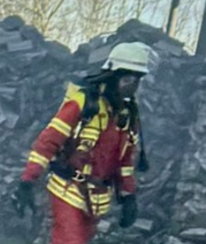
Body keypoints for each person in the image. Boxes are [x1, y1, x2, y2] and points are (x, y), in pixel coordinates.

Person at [12, 42, 149, 244]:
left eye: (137, 80)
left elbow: (125, 163)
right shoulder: (84, 103)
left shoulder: (128, 116)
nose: (132, 85)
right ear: (112, 76)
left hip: (97, 198)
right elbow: (47, 142)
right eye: (127, 78)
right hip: (68, 189)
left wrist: (128, 196)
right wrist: (27, 180)